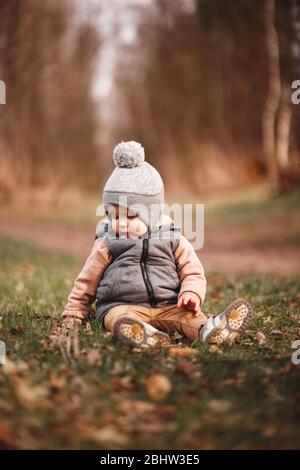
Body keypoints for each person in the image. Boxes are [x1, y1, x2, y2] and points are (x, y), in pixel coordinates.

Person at [61, 141, 253, 348]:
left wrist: (191, 293)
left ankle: (210, 330)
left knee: (188, 317)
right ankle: (142, 334)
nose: (121, 223)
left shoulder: (173, 238)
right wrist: (73, 314)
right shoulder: (108, 242)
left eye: (131, 215)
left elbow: (193, 272)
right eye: (113, 216)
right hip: (122, 306)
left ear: (152, 213)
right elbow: (86, 282)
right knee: (116, 317)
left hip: (169, 306)